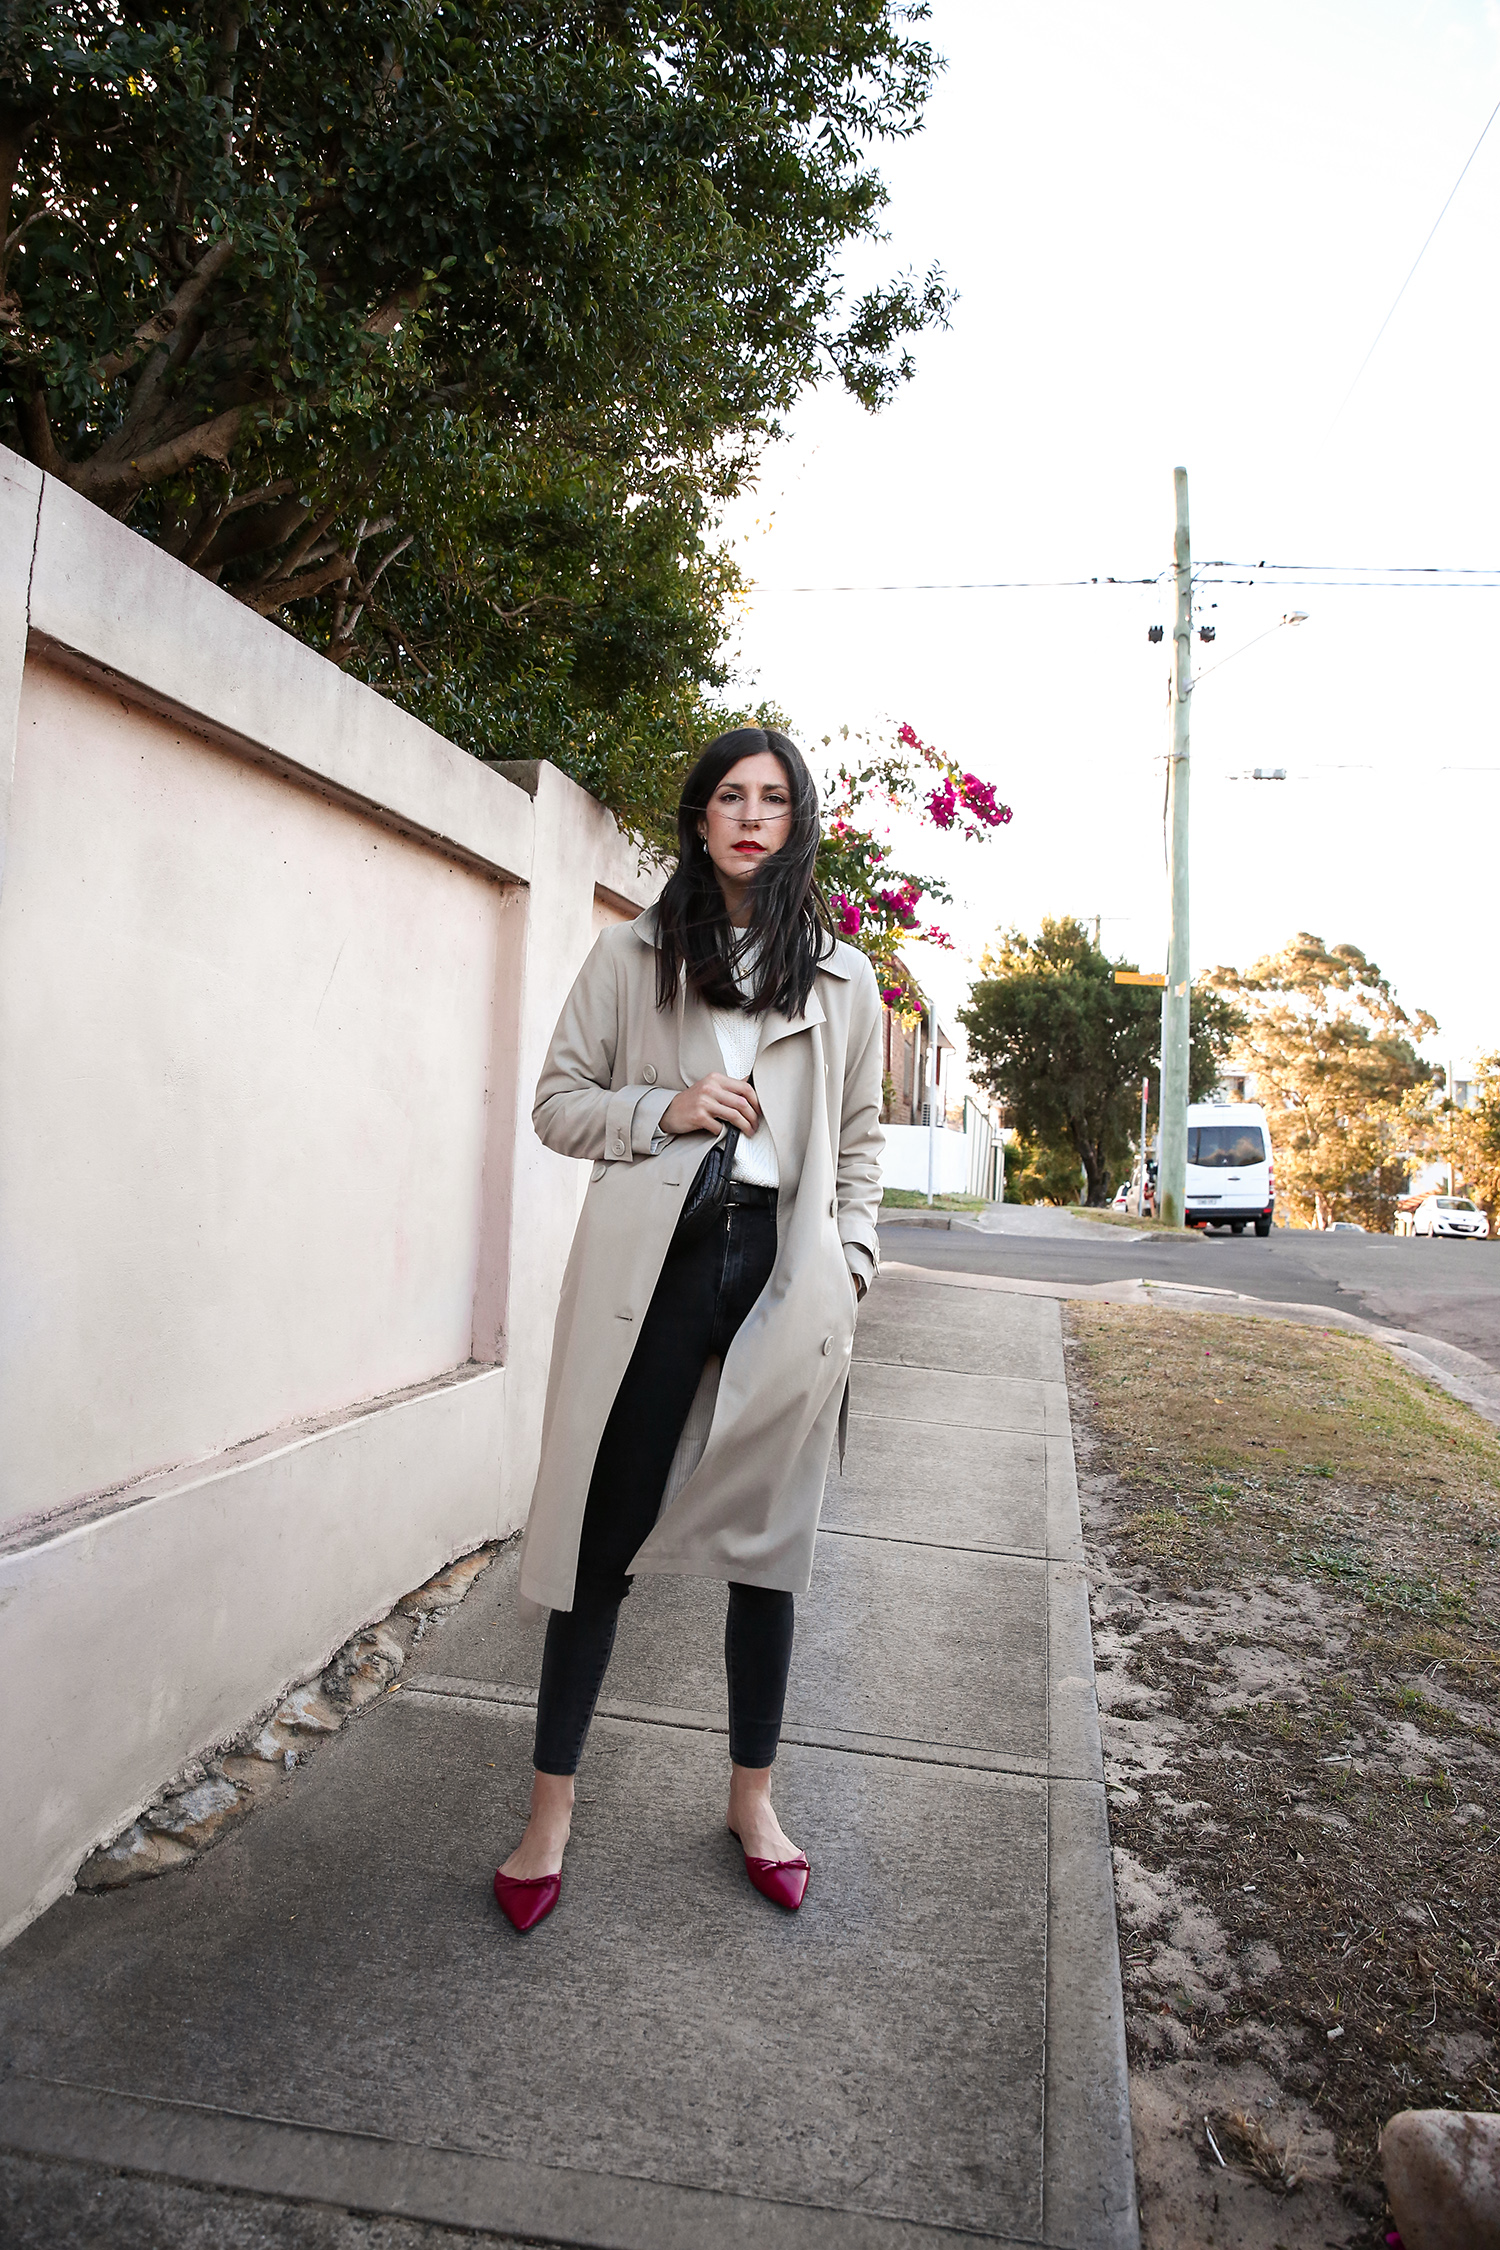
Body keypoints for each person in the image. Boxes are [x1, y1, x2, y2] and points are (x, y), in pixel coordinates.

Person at [493, 726, 884, 1931]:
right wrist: (664, 1107)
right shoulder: (632, 956)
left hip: (783, 1268)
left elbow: (859, 1144)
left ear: (795, 821)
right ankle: (549, 1813)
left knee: (770, 1547)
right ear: (700, 819)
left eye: (773, 799)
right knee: (600, 1538)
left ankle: (752, 1801)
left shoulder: (843, 979)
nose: (751, 817)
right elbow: (559, 1104)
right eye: (730, 798)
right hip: (654, 1268)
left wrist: (851, 1265)